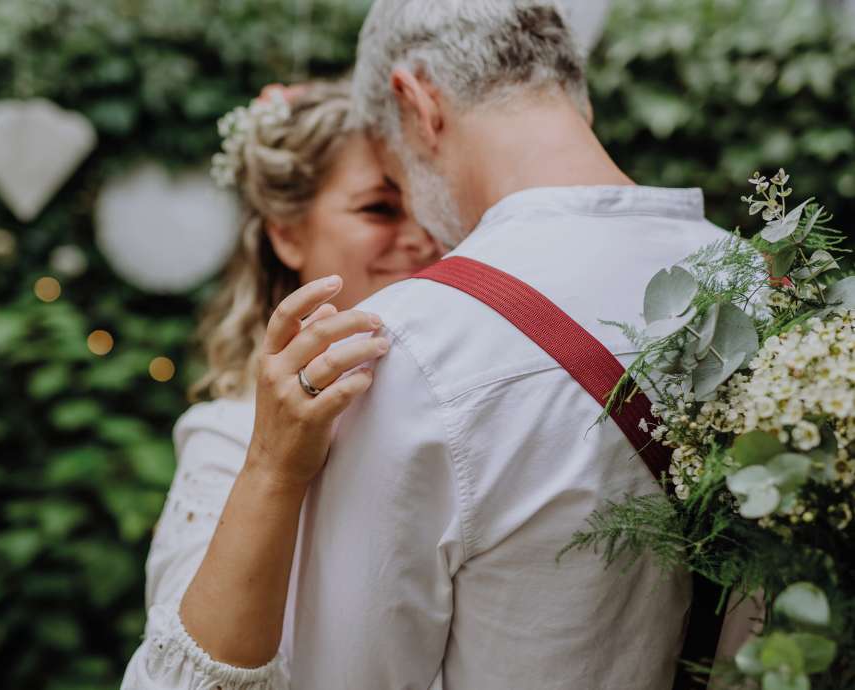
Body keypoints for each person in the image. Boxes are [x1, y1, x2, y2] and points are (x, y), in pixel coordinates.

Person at [278, 2, 739, 689]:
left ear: (417, 104)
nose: (420, 225)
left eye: (394, 172)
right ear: (570, 89)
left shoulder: (408, 345)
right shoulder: (769, 286)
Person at [121, 80, 440, 689]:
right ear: (286, 232)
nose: (421, 238)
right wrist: (275, 467)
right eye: (380, 208)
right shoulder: (230, 435)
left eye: (429, 207)